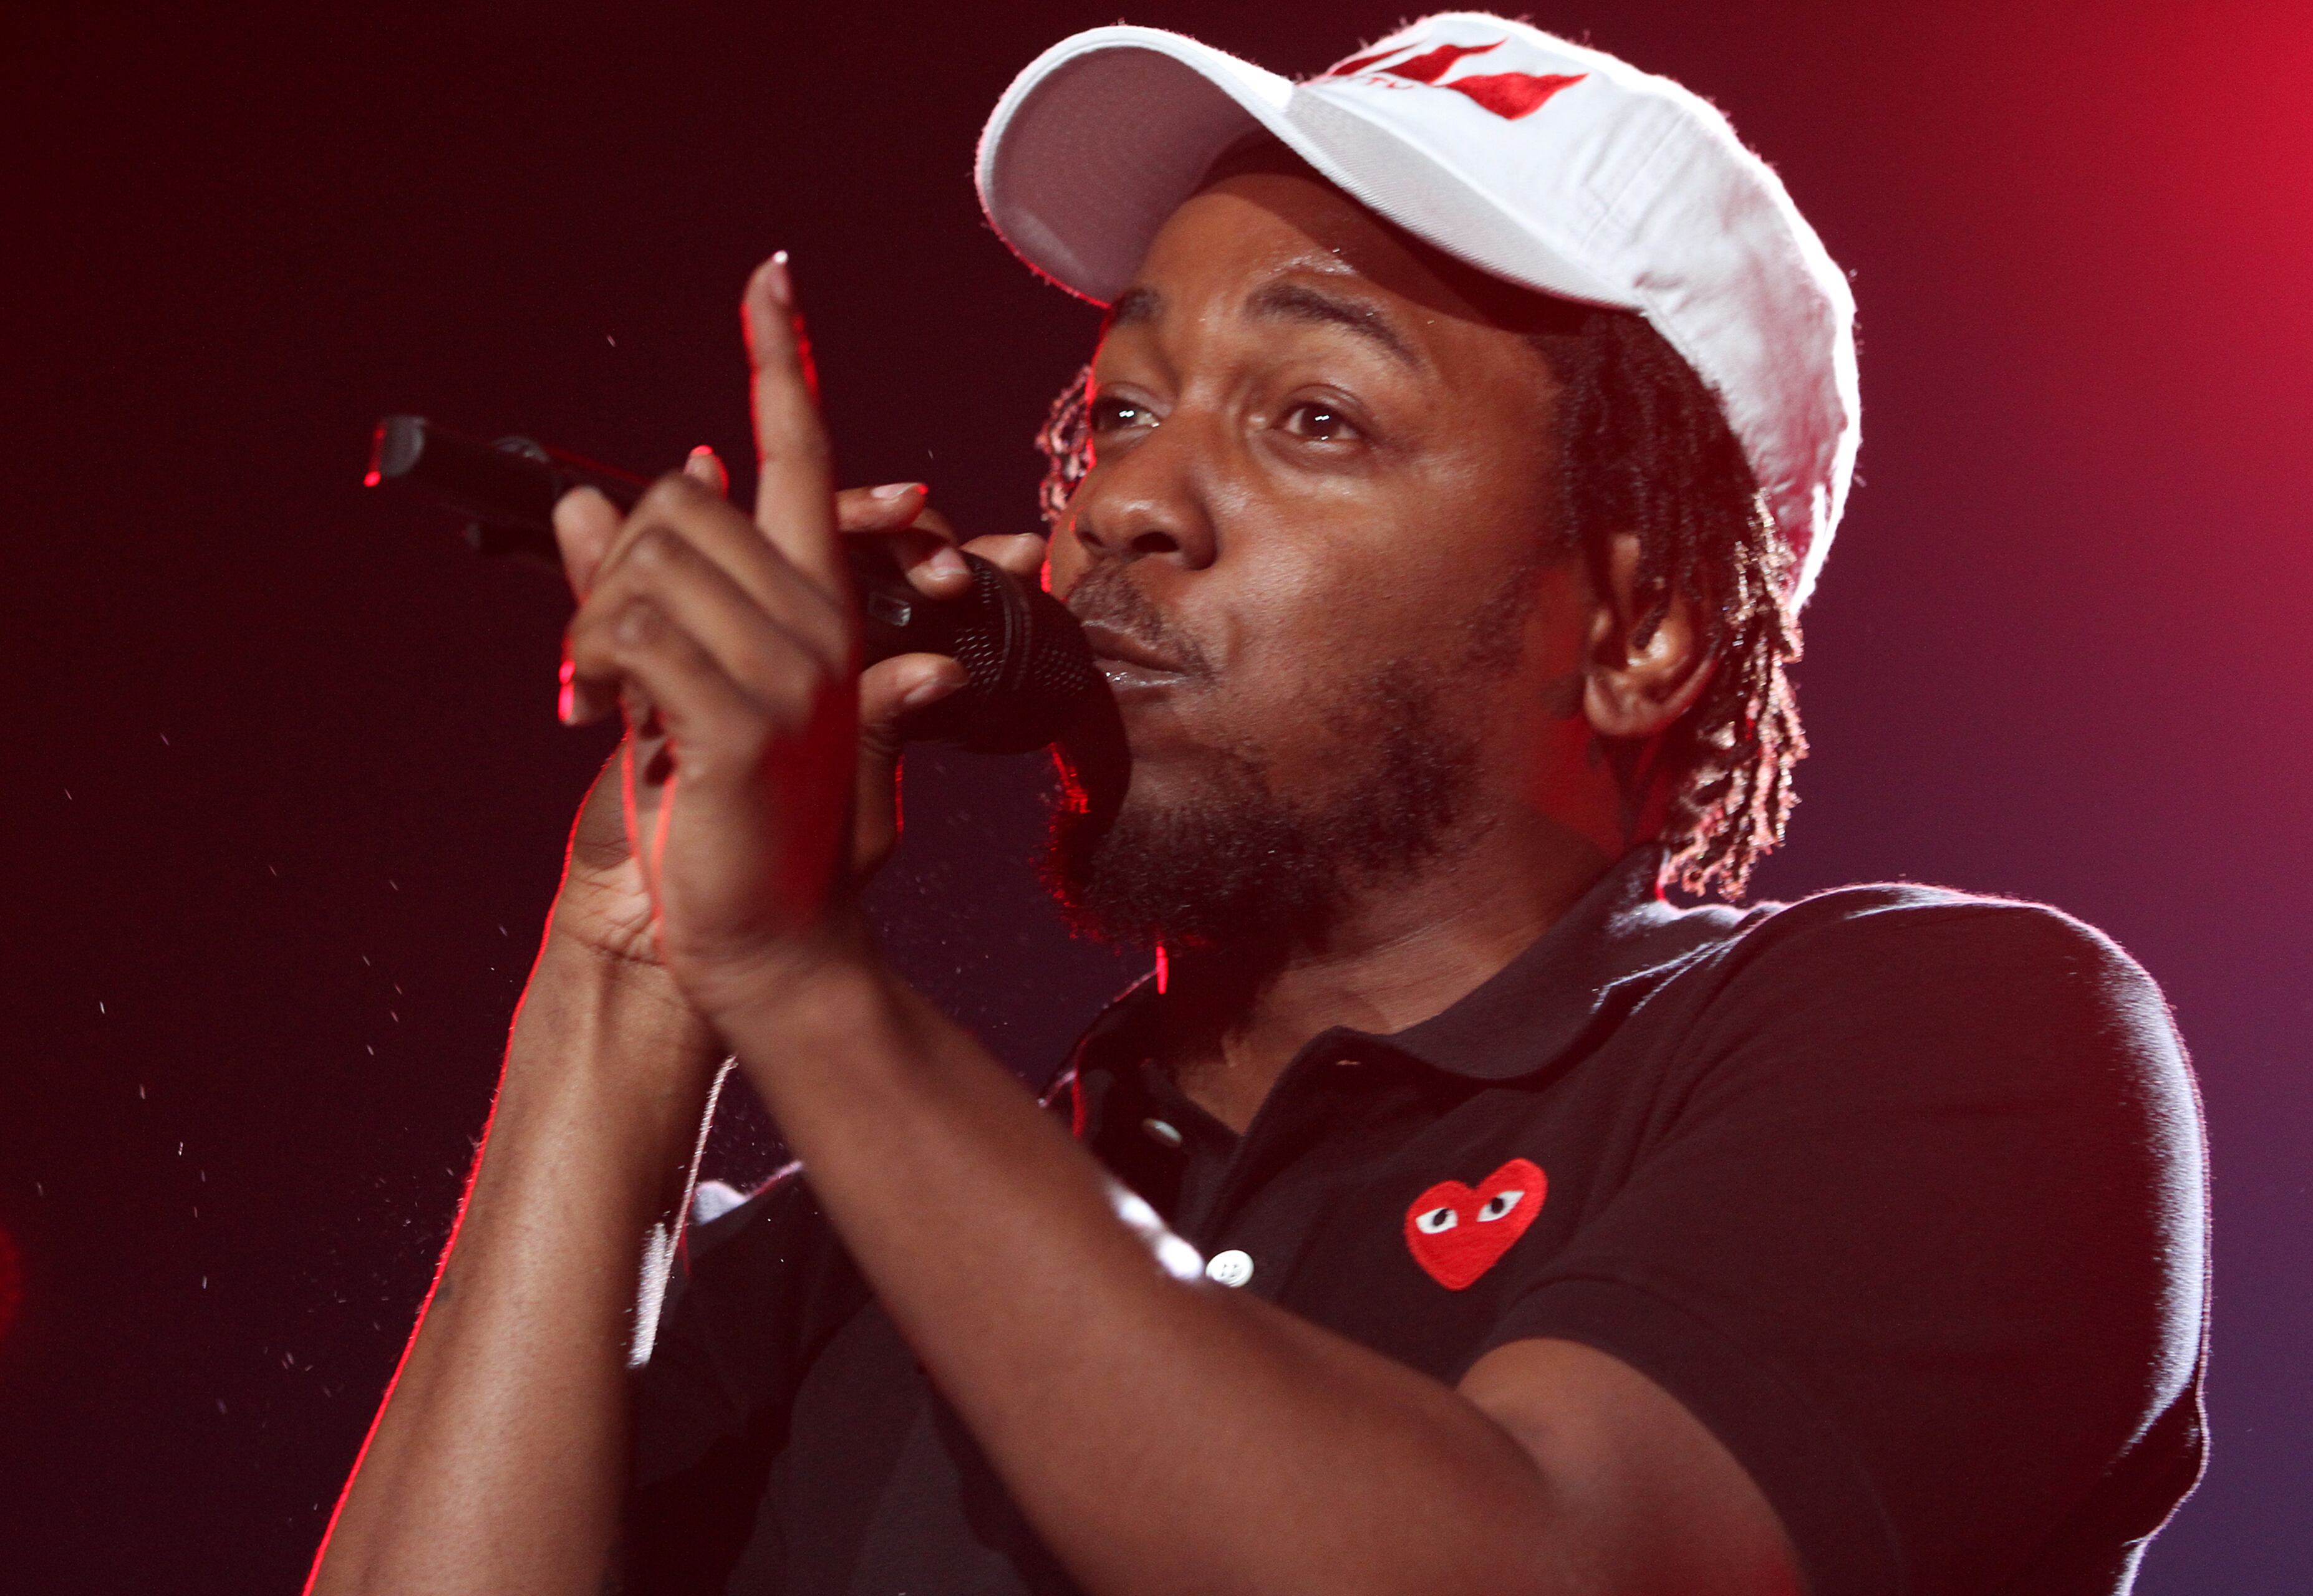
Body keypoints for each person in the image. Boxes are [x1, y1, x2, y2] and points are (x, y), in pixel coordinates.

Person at [309, 16, 2207, 1596]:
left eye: (1313, 415)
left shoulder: (1966, 1050)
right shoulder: (842, 1256)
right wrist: (633, 969)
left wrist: (807, 985)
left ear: (1635, 625)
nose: (1123, 509)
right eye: (1123, 414)